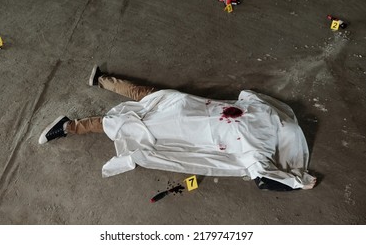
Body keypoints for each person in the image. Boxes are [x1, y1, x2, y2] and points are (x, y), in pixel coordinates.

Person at [39, 65, 317, 191]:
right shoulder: (259, 151)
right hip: (176, 122)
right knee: (123, 121)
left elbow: (248, 95)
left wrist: (296, 179)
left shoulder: (266, 113)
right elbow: (264, 182)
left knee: (142, 96)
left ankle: (100, 82)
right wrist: (297, 182)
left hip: (181, 109)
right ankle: (70, 124)